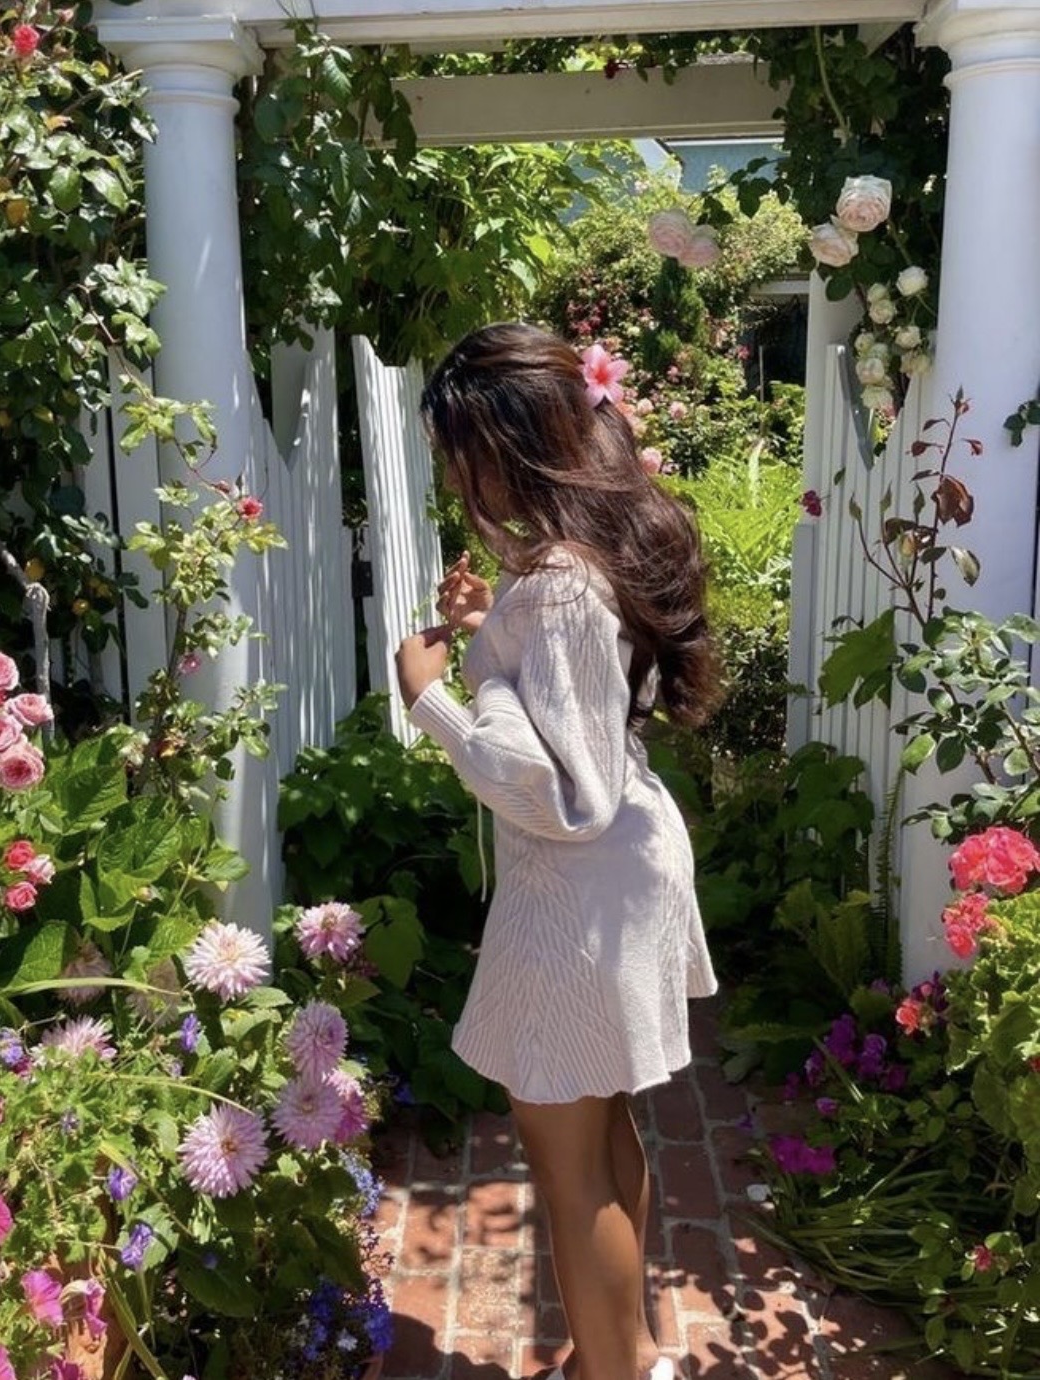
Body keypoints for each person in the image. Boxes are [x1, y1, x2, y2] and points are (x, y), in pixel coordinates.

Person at [395, 322, 721, 1380]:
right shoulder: (576, 562)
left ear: (503, 448)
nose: (456, 477)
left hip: (578, 885)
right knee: (600, 1130)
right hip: (617, 871)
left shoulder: (560, 582)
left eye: (459, 454)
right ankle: (616, 1356)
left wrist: (433, 697)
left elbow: (550, 788)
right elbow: (567, 700)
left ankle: (613, 1370)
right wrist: (493, 629)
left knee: (567, 1159)